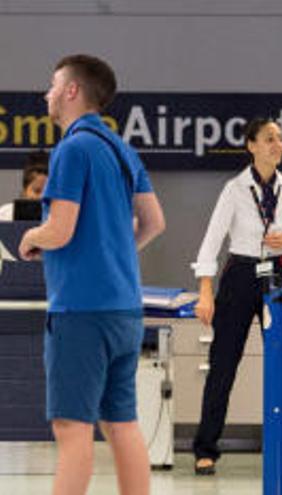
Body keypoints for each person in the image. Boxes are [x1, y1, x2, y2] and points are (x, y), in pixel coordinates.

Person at [18, 54, 165, 495]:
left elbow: (60, 230)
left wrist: (31, 240)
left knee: (71, 427)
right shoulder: (121, 149)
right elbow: (154, 222)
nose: (46, 93)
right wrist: (112, 253)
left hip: (80, 312)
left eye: (52, 84)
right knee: (122, 424)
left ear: (72, 90)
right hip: (124, 309)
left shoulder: (72, 148)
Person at [190, 117, 282, 475]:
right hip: (240, 275)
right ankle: (205, 448)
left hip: (278, 274)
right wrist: (205, 292)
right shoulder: (234, 189)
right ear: (251, 145)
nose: (277, 145)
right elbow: (211, 242)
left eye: (280, 139)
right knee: (223, 365)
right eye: (269, 139)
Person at [0, 151, 49, 220]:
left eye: (48, 192)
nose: (41, 197)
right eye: (37, 191)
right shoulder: (5, 215)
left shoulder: (63, 218)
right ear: (24, 191)